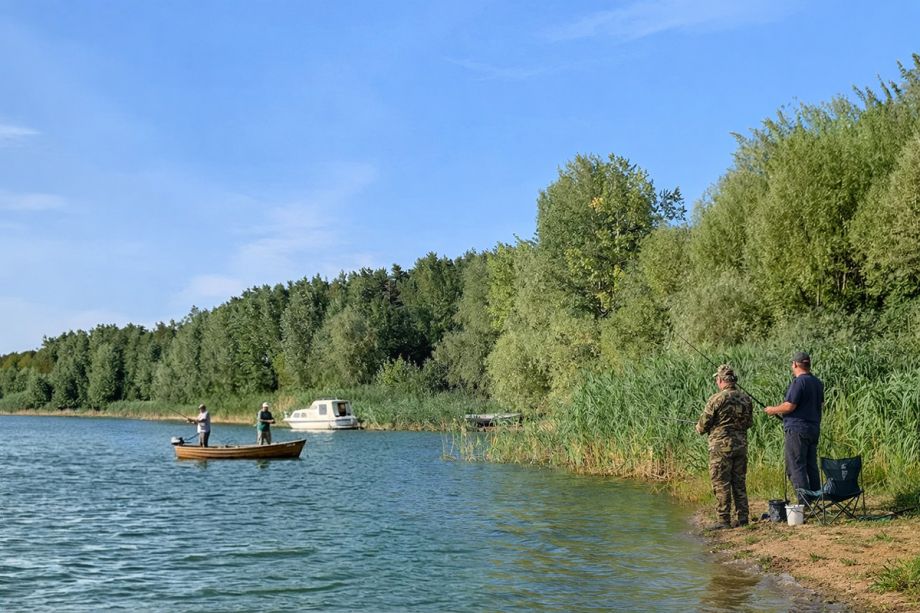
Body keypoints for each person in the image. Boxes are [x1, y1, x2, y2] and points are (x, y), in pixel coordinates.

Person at [696, 364, 754, 529]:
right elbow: (749, 423)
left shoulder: (716, 399)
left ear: (721, 380)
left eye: (717, 379)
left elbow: (702, 427)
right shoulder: (746, 399)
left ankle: (723, 521)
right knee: (739, 483)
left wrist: (702, 427)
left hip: (720, 448)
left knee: (721, 483)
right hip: (741, 446)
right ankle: (743, 519)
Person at [764, 351, 824, 501]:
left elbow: (789, 406)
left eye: (792, 364)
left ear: (796, 364)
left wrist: (772, 410)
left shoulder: (799, 382)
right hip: (813, 429)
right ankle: (816, 499)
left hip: (797, 430)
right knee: (811, 466)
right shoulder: (817, 382)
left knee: (795, 466)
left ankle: (804, 501)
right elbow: (820, 405)